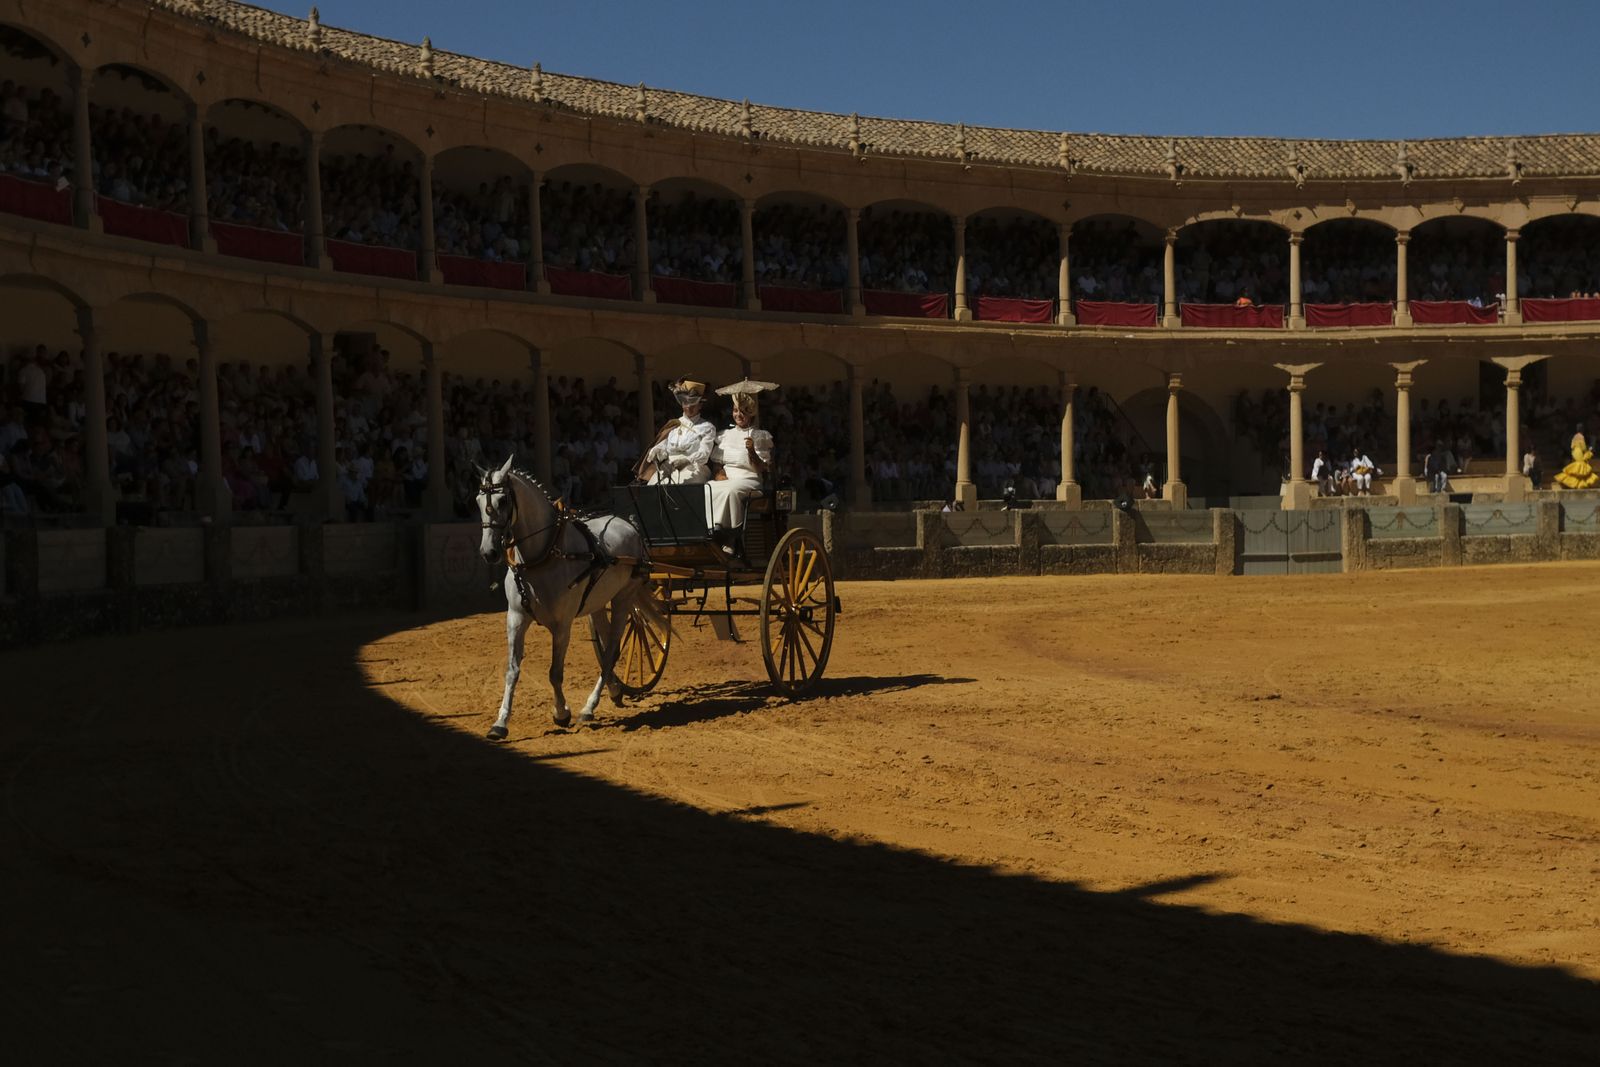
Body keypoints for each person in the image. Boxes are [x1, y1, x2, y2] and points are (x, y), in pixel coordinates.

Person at [705, 385, 774, 546]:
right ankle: (712, 530)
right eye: (736, 410)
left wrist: (752, 451)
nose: (738, 415)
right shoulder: (725, 435)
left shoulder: (759, 436)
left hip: (749, 479)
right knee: (708, 488)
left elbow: (761, 468)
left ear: (750, 413)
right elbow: (717, 465)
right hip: (727, 478)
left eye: (742, 411)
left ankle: (732, 537)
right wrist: (719, 475)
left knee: (731, 491)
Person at [638, 378, 715, 485]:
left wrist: (688, 460)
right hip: (669, 466)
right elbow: (666, 445)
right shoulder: (674, 424)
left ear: (700, 405)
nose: (689, 407)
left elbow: (704, 454)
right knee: (653, 485)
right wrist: (658, 449)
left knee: (682, 485)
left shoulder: (707, 427)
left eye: (693, 404)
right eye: (685, 403)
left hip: (694, 467)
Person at [1552, 424, 1598, 490]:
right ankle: (1579, 484)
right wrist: (1588, 450)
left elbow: (1571, 446)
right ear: (1583, 429)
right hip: (1579, 452)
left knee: (1577, 467)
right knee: (1581, 467)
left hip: (1574, 452)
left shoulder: (1574, 436)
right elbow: (1583, 447)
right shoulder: (1581, 436)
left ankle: (1577, 484)